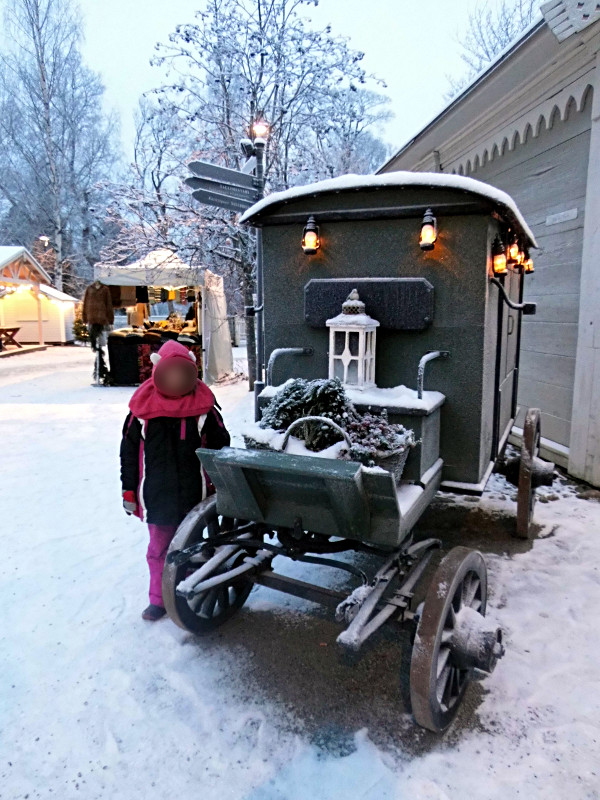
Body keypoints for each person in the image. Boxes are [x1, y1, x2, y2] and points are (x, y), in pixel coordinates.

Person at [119, 339, 230, 621]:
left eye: (183, 374)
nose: (176, 380)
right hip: (157, 495)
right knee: (159, 549)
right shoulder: (141, 412)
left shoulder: (204, 409)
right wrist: (129, 491)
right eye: (170, 374)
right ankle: (159, 599)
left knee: (193, 546)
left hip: (195, 494)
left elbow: (220, 449)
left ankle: (186, 591)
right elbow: (129, 455)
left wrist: (220, 484)